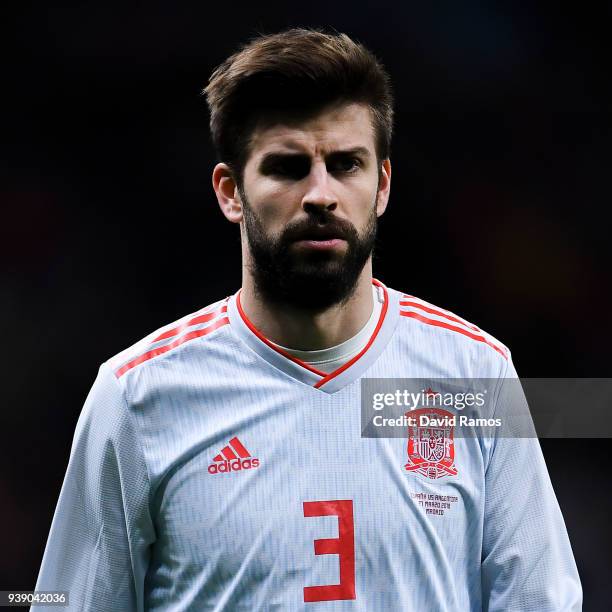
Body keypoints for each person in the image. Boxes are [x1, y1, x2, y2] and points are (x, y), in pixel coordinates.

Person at [34, 28, 582, 610]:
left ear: (382, 186)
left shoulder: (477, 374)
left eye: (346, 164)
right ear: (231, 192)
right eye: (289, 167)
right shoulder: (135, 396)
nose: (320, 193)